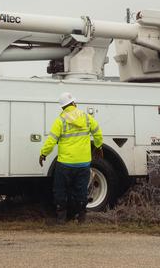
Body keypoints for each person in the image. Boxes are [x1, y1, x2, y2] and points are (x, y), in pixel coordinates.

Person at [39, 92, 104, 223]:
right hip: (84, 163)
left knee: (60, 190)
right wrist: (98, 146)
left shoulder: (60, 120)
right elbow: (97, 132)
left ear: (63, 107)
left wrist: (43, 153)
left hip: (65, 164)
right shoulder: (86, 118)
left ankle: (61, 218)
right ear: (74, 103)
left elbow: (51, 140)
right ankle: (81, 217)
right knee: (81, 190)